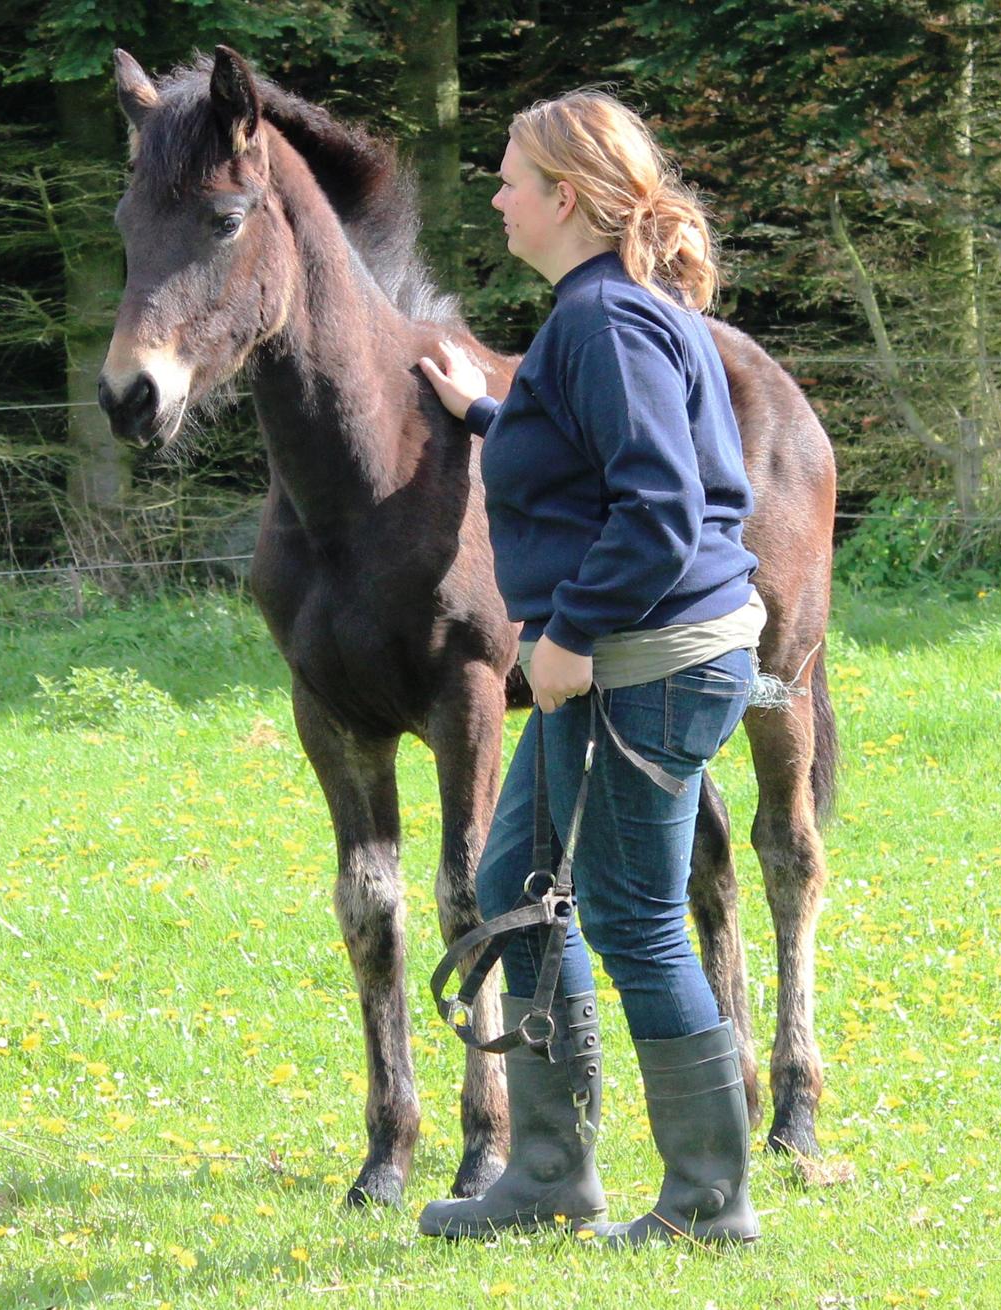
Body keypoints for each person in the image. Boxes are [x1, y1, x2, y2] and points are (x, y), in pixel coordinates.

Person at [416, 90, 764, 1247]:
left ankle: (710, 1205)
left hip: (641, 663)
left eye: (512, 178)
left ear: (564, 197)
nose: (499, 196)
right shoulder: (601, 312)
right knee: (517, 883)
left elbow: (659, 507)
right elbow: (580, 450)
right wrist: (484, 414)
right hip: (625, 658)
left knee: (634, 921)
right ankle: (552, 1173)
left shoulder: (607, 319)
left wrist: (563, 642)